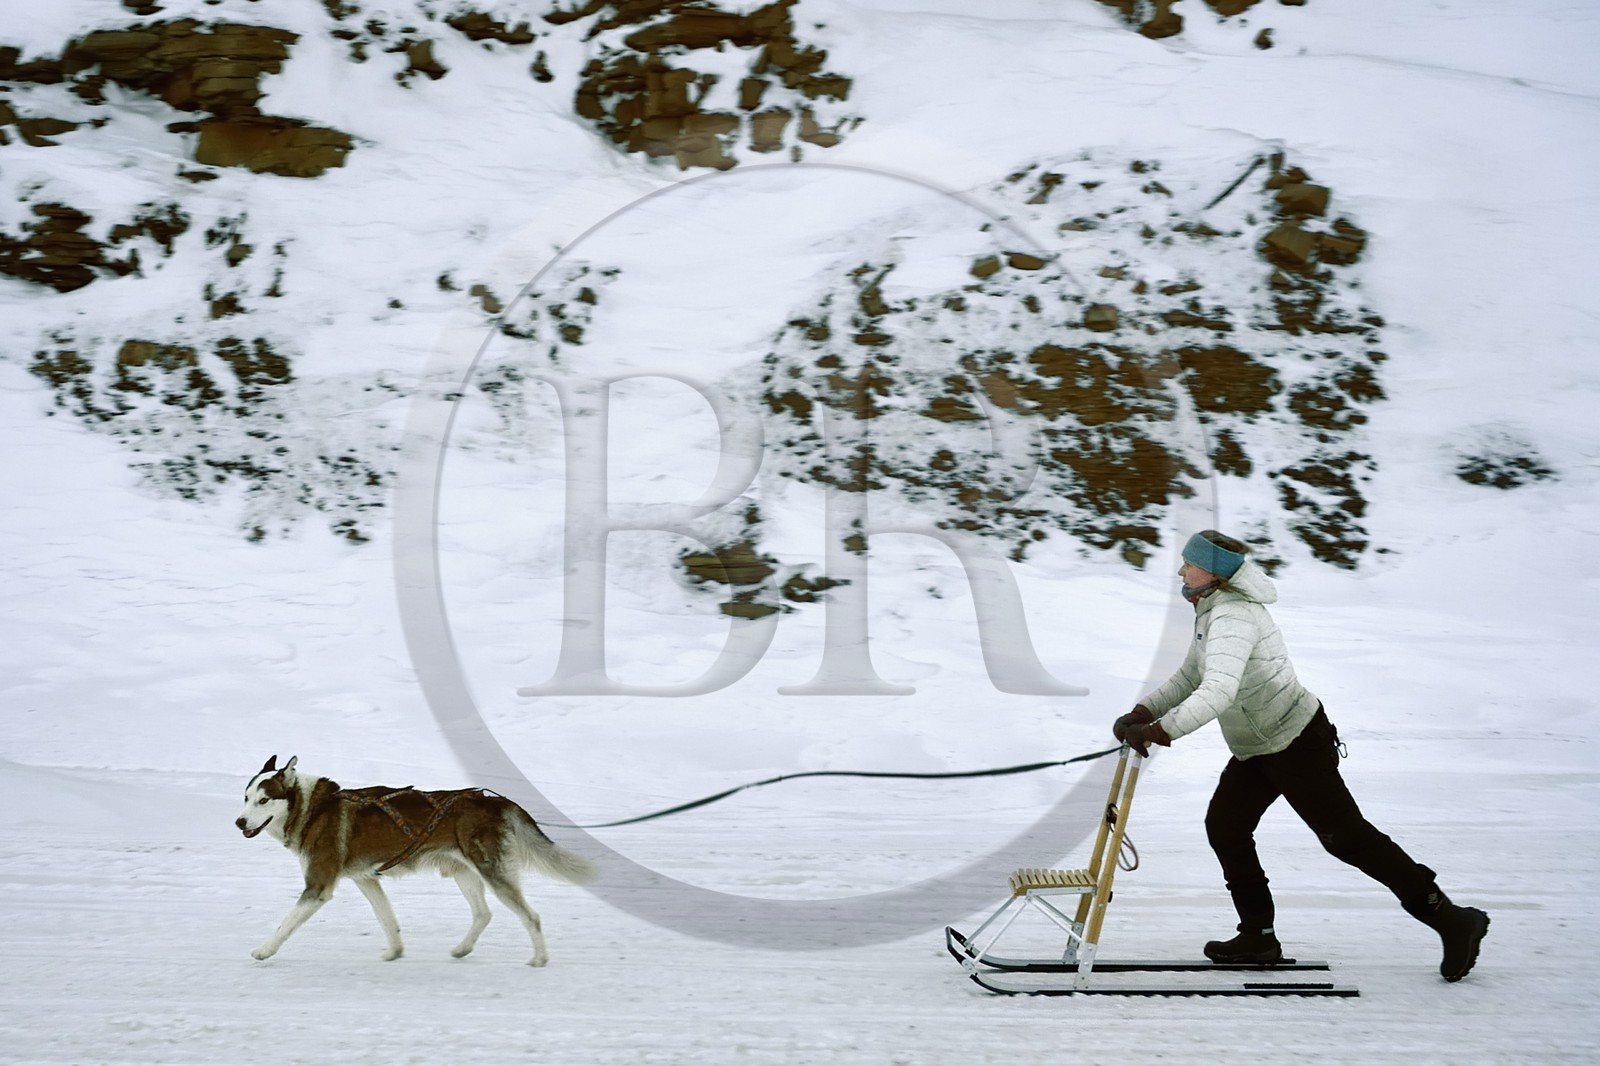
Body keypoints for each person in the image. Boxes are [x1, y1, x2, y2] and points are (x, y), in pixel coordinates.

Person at [1112, 529, 1490, 981]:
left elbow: (1216, 691)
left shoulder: (1234, 616)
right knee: (1226, 827)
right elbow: (1191, 675)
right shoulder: (1212, 611)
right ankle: (1258, 936)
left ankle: (1452, 919)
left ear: (1213, 574)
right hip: (1259, 745)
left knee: (1346, 838)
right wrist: (1143, 710)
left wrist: (1157, 731)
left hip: (1294, 740)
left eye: (1189, 564)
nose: (1181, 570)